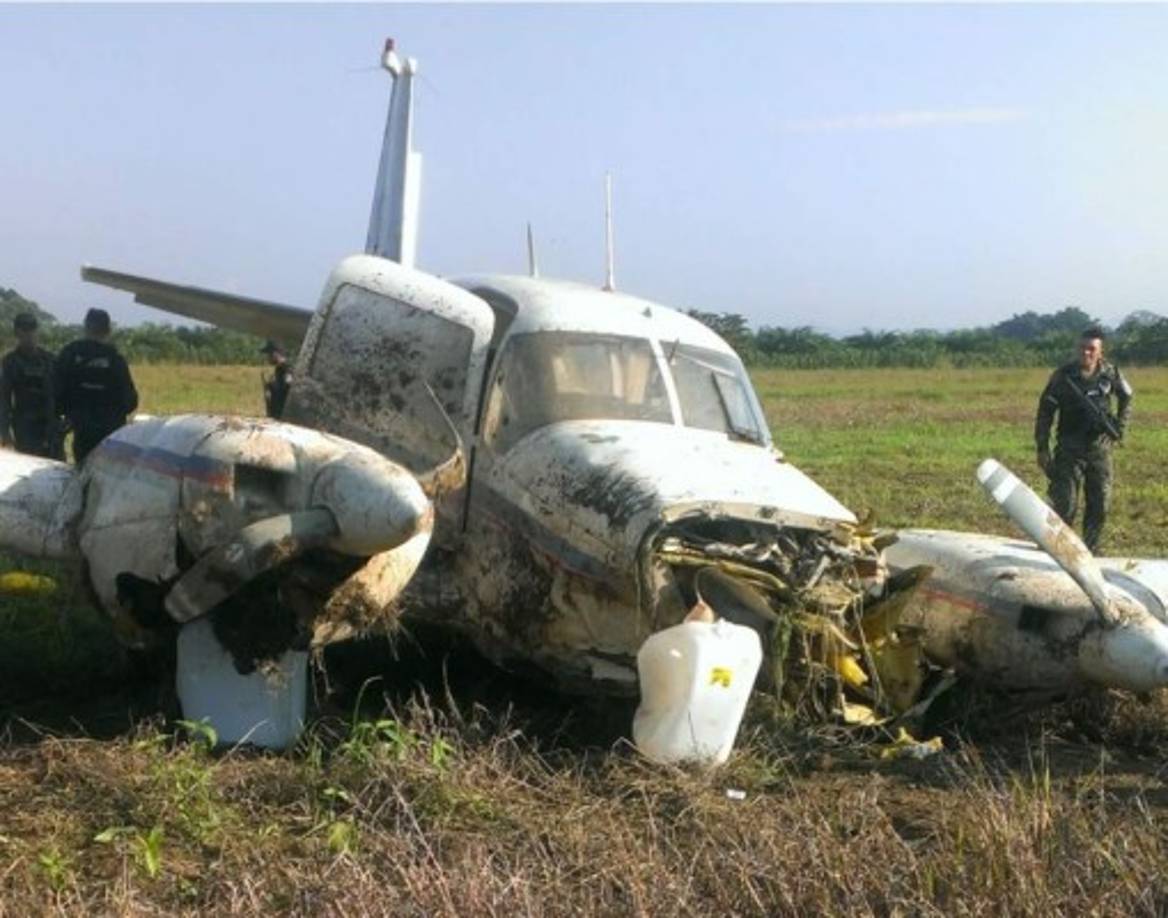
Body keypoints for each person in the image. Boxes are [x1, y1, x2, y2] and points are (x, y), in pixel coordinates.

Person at [1034, 326, 1132, 554]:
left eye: (1091, 349)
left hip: (1100, 449)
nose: (1086, 353)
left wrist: (1120, 427)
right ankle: (1057, 550)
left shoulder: (1111, 373)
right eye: (1082, 348)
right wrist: (1042, 447)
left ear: (1100, 351)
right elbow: (1045, 412)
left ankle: (1091, 549)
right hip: (1069, 448)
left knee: (1100, 504)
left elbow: (1127, 396)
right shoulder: (1062, 376)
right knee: (1065, 504)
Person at [54, 308, 139, 464]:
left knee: (83, 471)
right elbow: (130, 401)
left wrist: (68, 414)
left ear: (86, 327)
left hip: (82, 430)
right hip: (111, 432)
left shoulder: (70, 353)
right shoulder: (115, 358)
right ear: (108, 330)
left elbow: (56, 391)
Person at [0, 313, 61, 458]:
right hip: (25, 428)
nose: (29, 335)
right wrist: (5, 433)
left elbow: (62, 393)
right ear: (17, 333)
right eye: (25, 331)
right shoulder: (10, 362)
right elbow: (4, 399)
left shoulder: (50, 360)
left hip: (50, 426)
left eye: (32, 330)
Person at [260, 340, 293, 419]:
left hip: (283, 419)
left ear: (275, 354)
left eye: (268, 354)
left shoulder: (286, 369)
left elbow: (287, 392)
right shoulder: (279, 369)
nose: (267, 358)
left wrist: (270, 388)